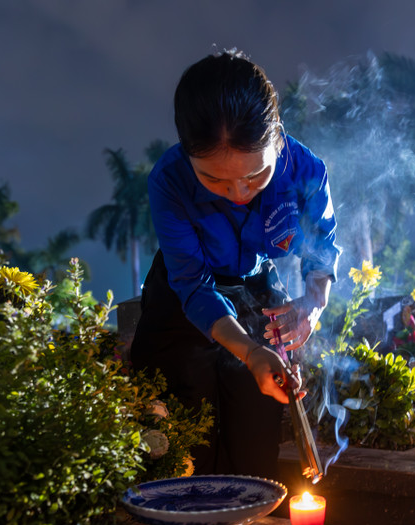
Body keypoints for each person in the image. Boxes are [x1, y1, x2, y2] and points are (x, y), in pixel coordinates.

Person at [130, 51, 341, 481]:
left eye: (255, 176)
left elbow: (321, 253)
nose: (238, 193)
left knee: (255, 442)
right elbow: (192, 285)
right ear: (188, 156)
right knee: (187, 443)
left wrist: (312, 307)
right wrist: (248, 350)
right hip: (181, 299)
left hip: (255, 288)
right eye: (214, 181)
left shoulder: (305, 171)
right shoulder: (168, 181)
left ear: (277, 140)